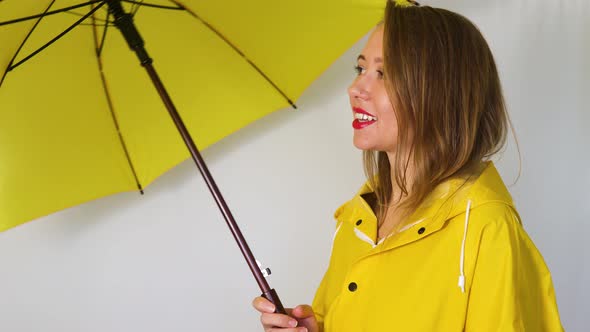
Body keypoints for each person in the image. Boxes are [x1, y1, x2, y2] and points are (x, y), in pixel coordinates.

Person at [252, 1, 564, 331]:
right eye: (361, 70)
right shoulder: (356, 220)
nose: (355, 88)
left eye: (383, 74)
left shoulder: (487, 231)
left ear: (441, 90)